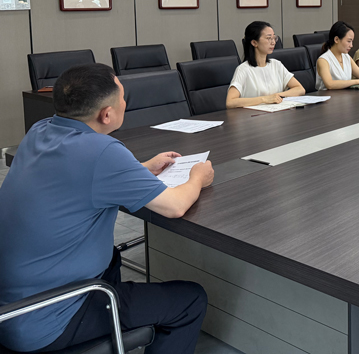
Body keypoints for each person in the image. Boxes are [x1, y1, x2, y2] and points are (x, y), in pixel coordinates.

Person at [0, 64, 213, 354]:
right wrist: (198, 177)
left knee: (112, 258)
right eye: (122, 97)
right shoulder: (104, 151)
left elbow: (76, 176)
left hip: (13, 302)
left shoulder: (40, 130)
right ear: (107, 114)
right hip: (47, 318)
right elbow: (175, 206)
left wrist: (140, 169)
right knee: (191, 299)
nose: (125, 102)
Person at [227, 21, 306, 108]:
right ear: (254, 42)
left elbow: (300, 89)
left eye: (274, 38)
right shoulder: (243, 69)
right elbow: (230, 102)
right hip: (254, 115)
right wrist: (264, 99)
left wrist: (277, 96)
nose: (273, 42)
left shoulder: (276, 64)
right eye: (268, 38)